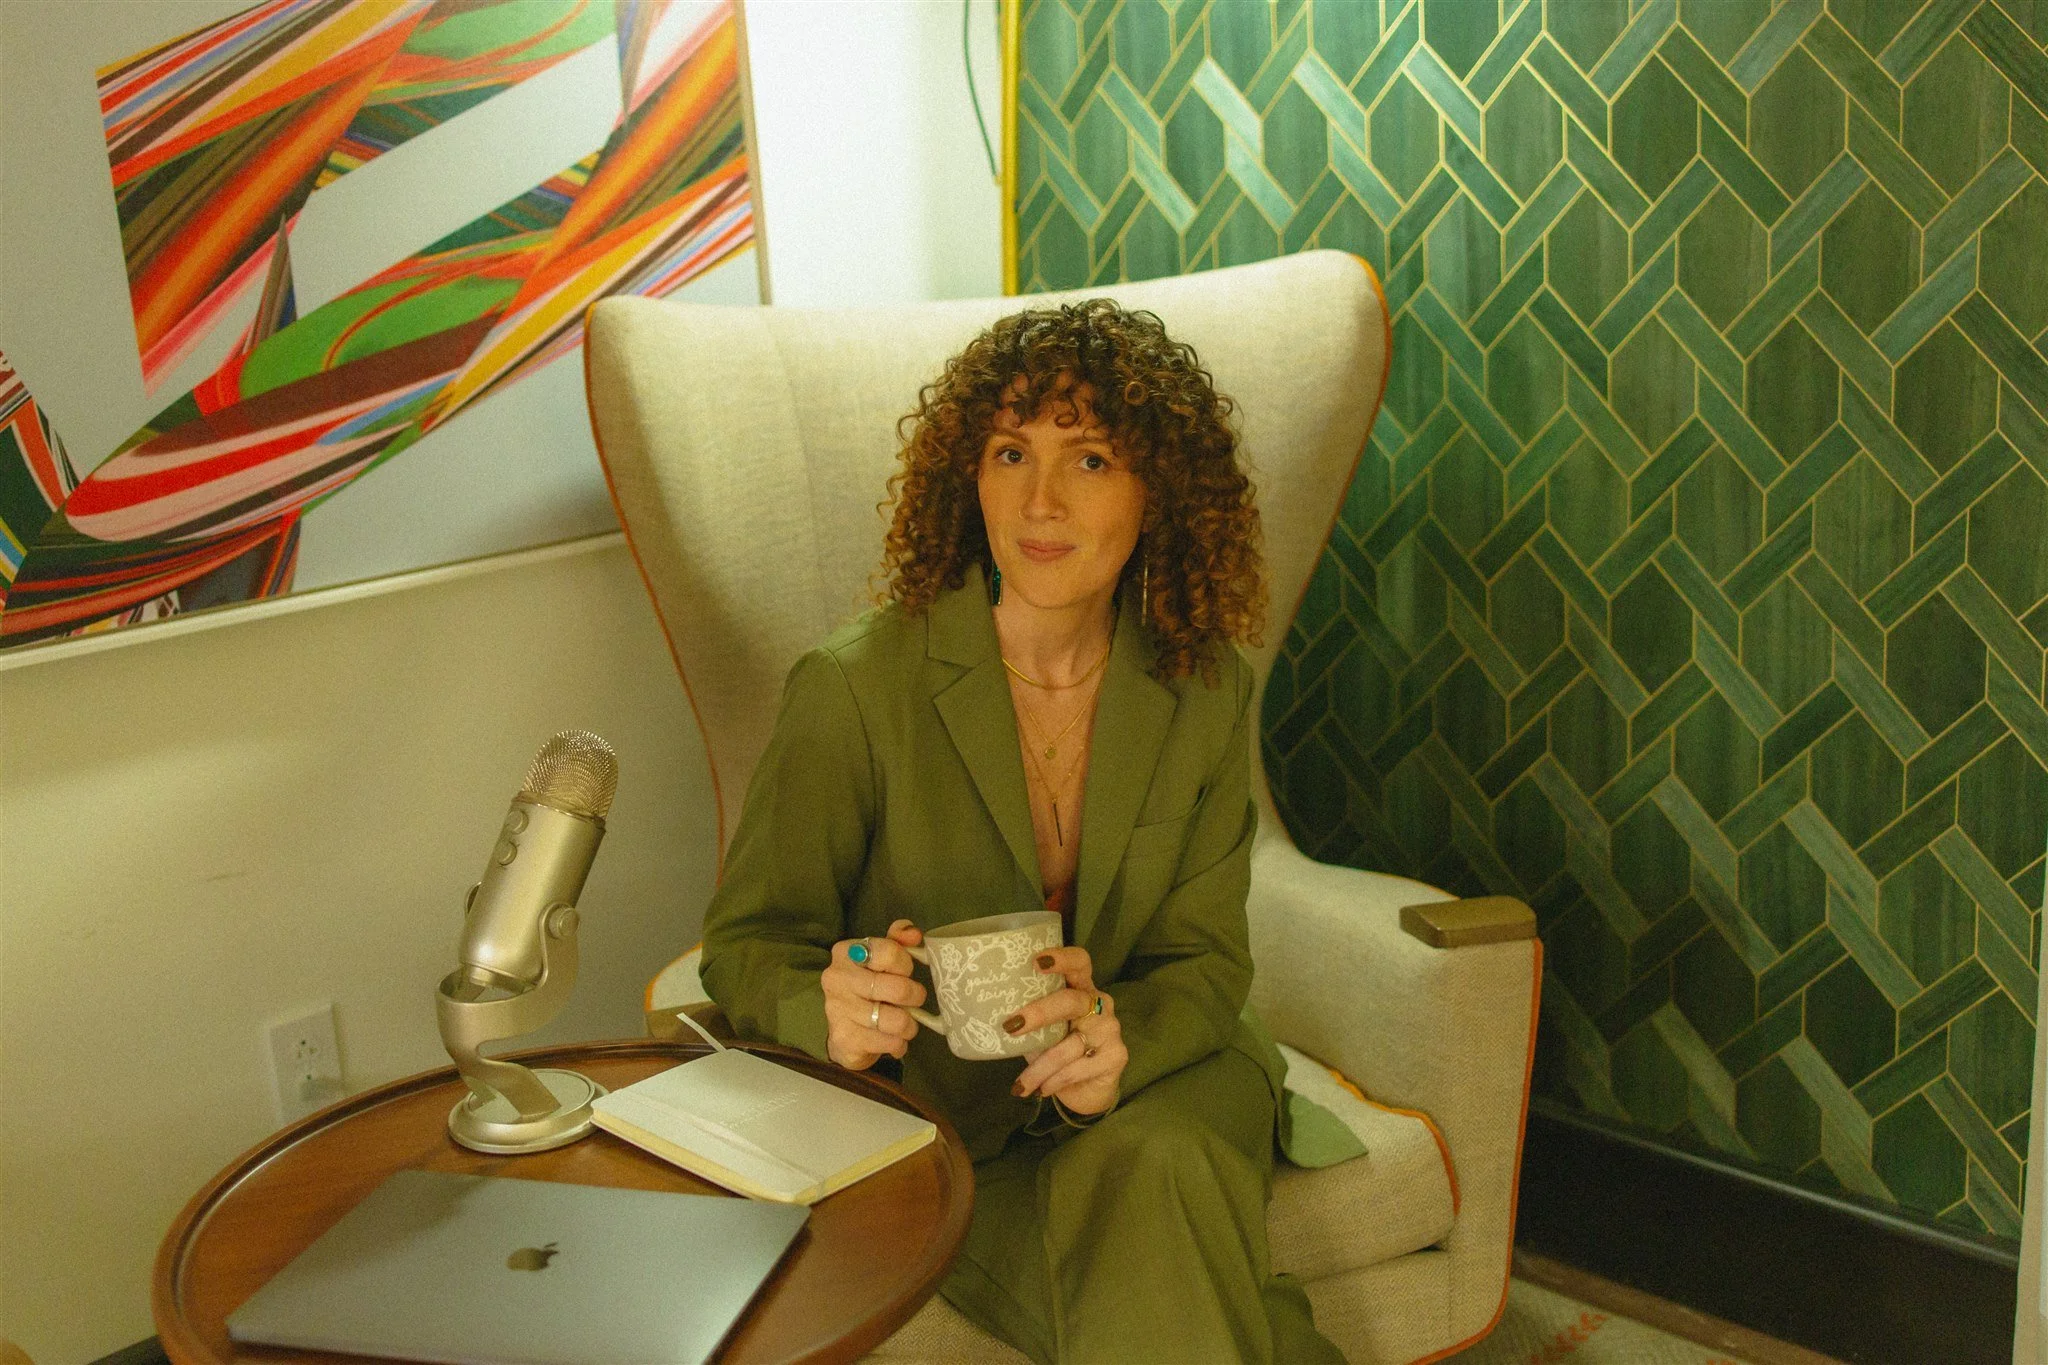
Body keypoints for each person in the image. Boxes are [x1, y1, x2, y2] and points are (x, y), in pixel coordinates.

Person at [698, 299, 1343, 1364]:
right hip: (952, 1128)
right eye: (1010, 453)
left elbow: (1204, 960)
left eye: (1089, 459)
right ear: (970, 475)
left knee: (1162, 1151)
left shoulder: (1204, 686)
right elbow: (747, 942)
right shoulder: (853, 689)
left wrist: (1120, 1040)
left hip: (1164, 1076)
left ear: (1158, 490)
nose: (1040, 500)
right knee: (1177, 1234)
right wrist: (830, 1006)